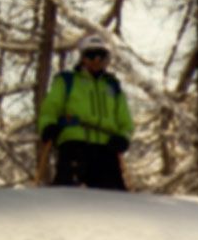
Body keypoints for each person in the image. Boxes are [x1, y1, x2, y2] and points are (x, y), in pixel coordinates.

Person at [37, 34, 133, 191]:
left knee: (115, 199)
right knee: (66, 194)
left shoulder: (112, 86)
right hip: (74, 144)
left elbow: (125, 120)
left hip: (106, 148)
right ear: (82, 57)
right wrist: (48, 126)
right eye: (91, 55)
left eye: (101, 55)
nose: (96, 60)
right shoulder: (67, 81)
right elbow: (50, 108)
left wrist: (123, 138)